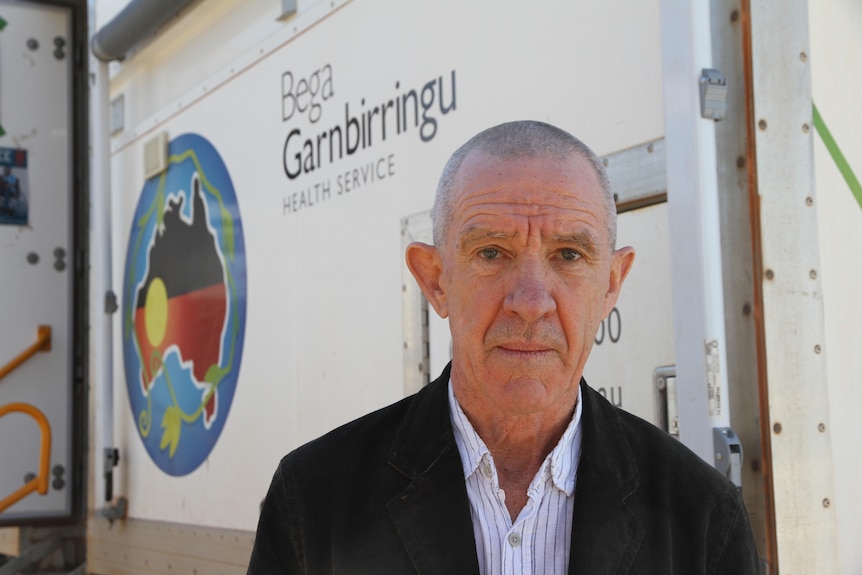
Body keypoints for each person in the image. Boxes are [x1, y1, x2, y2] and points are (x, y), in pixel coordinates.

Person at [247, 120, 759, 574]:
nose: (531, 301)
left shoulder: (704, 516)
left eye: (568, 254)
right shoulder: (314, 500)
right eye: (491, 252)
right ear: (435, 280)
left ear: (610, 284)